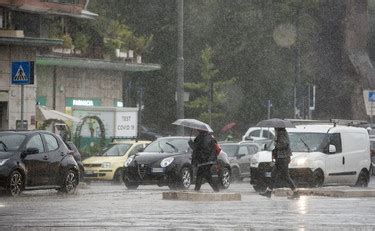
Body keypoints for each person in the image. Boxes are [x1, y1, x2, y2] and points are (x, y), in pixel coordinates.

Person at [259, 127, 299, 199]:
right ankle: (268, 192)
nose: (274, 128)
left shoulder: (281, 133)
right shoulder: (279, 132)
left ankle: (296, 192)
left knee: (286, 176)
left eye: (275, 127)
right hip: (280, 157)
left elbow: (284, 144)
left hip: (283, 158)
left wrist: (276, 144)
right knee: (273, 175)